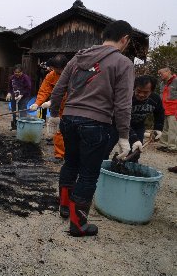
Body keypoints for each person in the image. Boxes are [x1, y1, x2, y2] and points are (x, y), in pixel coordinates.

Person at [49, 20, 134, 237]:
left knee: (70, 163)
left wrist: (54, 116)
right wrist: (124, 136)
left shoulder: (78, 57)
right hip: (96, 124)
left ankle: (65, 208)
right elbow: (123, 104)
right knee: (88, 173)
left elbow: (59, 89)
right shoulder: (123, 63)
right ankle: (78, 225)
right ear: (124, 39)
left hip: (69, 119)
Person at [104, 75, 165, 162]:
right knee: (105, 149)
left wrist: (158, 128)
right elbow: (118, 117)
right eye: (138, 91)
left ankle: (125, 170)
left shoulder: (155, 99)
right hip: (117, 125)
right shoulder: (126, 97)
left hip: (138, 126)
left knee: (135, 152)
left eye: (145, 92)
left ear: (151, 91)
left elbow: (159, 113)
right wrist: (133, 138)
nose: (141, 95)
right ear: (134, 87)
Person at [29, 55, 69, 163]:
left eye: (57, 69)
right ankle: (59, 155)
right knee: (58, 130)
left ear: (65, 66)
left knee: (71, 131)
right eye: (53, 69)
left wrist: (52, 102)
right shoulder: (52, 75)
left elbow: (71, 93)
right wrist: (37, 103)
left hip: (71, 108)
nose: (55, 71)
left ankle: (71, 155)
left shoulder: (73, 75)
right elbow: (44, 90)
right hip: (57, 109)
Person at [156, 67, 177, 159]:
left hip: (174, 109)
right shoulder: (162, 83)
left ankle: (172, 147)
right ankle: (163, 144)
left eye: (161, 73)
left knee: (173, 129)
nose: (160, 76)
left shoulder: (176, 81)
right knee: (164, 128)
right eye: (159, 74)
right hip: (164, 109)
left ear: (168, 72)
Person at [6, 65, 32, 130]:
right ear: (13, 72)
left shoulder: (25, 78)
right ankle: (14, 124)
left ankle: (22, 126)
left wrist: (22, 95)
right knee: (13, 110)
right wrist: (9, 93)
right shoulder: (12, 78)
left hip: (24, 96)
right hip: (14, 95)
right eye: (15, 72)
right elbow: (10, 87)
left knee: (22, 109)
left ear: (22, 72)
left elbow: (28, 88)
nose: (17, 74)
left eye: (18, 72)